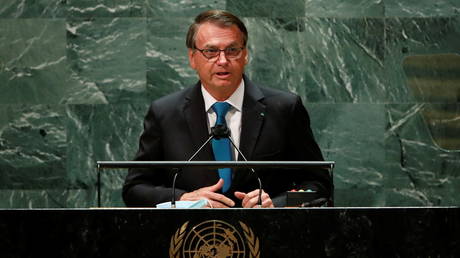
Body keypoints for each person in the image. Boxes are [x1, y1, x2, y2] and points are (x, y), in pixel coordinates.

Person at [122, 10, 332, 208]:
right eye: (211, 51)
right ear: (192, 58)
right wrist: (184, 198)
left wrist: (276, 204)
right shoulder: (165, 113)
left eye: (232, 50)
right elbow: (135, 188)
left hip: (269, 236)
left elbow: (319, 184)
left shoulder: (284, 109)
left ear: (245, 55)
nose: (222, 61)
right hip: (191, 239)